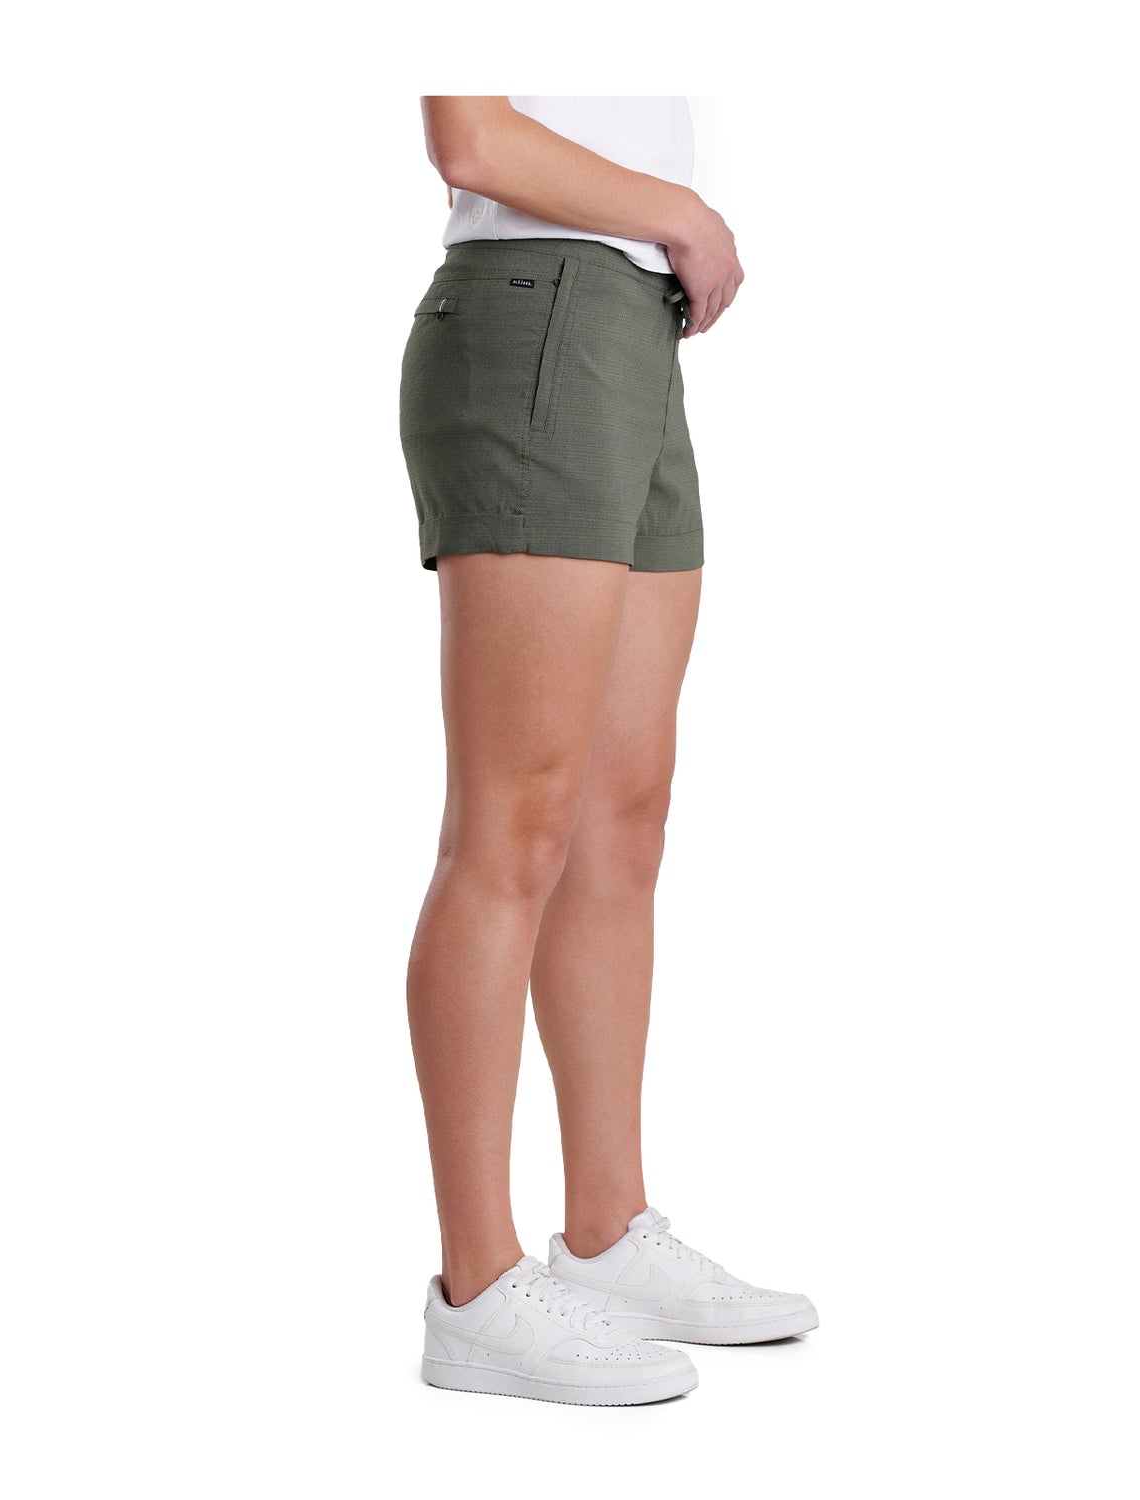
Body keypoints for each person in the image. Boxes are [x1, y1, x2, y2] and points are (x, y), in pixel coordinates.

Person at [398, 95, 817, 1407]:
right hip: (538, 310)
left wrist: (663, 240)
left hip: (632, 326)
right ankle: (477, 1288)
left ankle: (606, 1233)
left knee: (621, 818)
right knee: (513, 821)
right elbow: (472, 136)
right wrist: (682, 213)